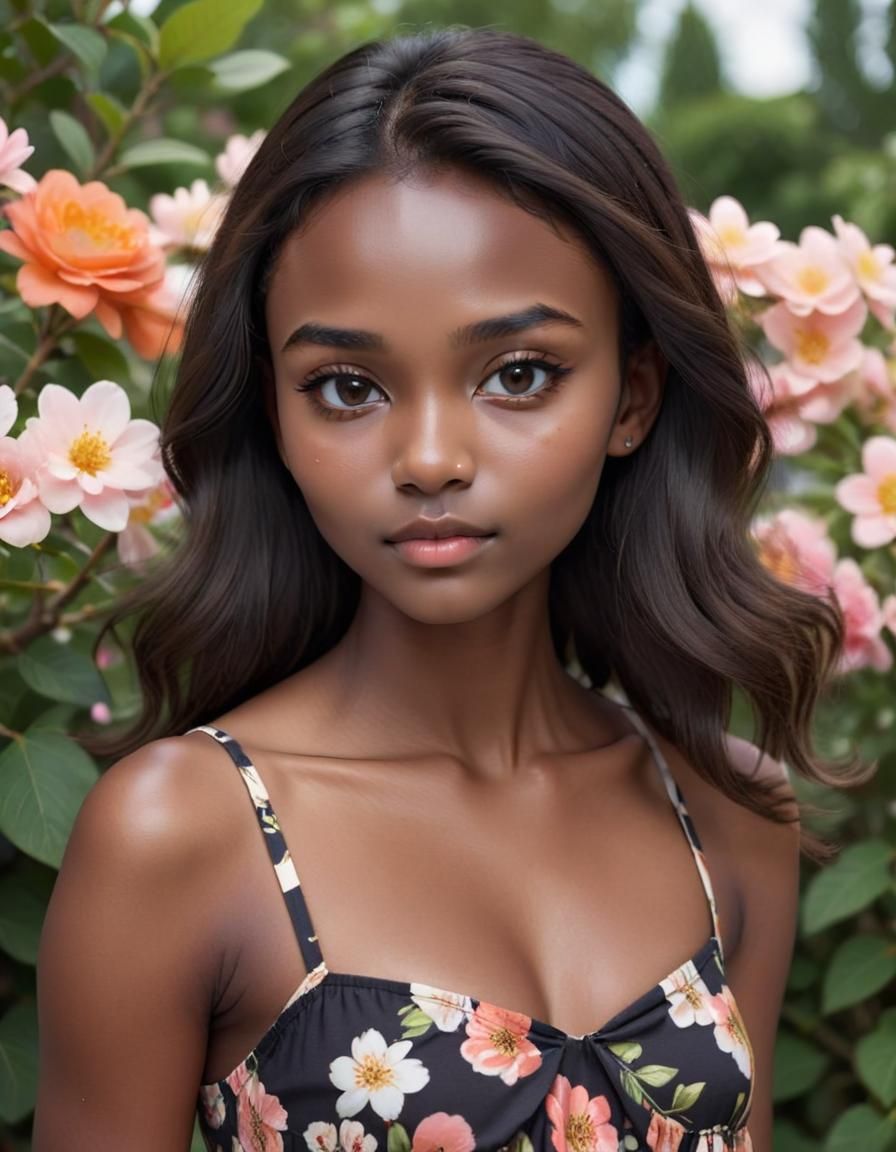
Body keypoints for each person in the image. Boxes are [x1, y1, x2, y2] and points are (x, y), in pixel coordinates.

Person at [33, 26, 858, 1152]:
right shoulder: (182, 835)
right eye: (346, 386)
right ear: (271, 413)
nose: (428, 456)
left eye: (518, 374)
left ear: (631, 396)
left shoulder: (729, 816)